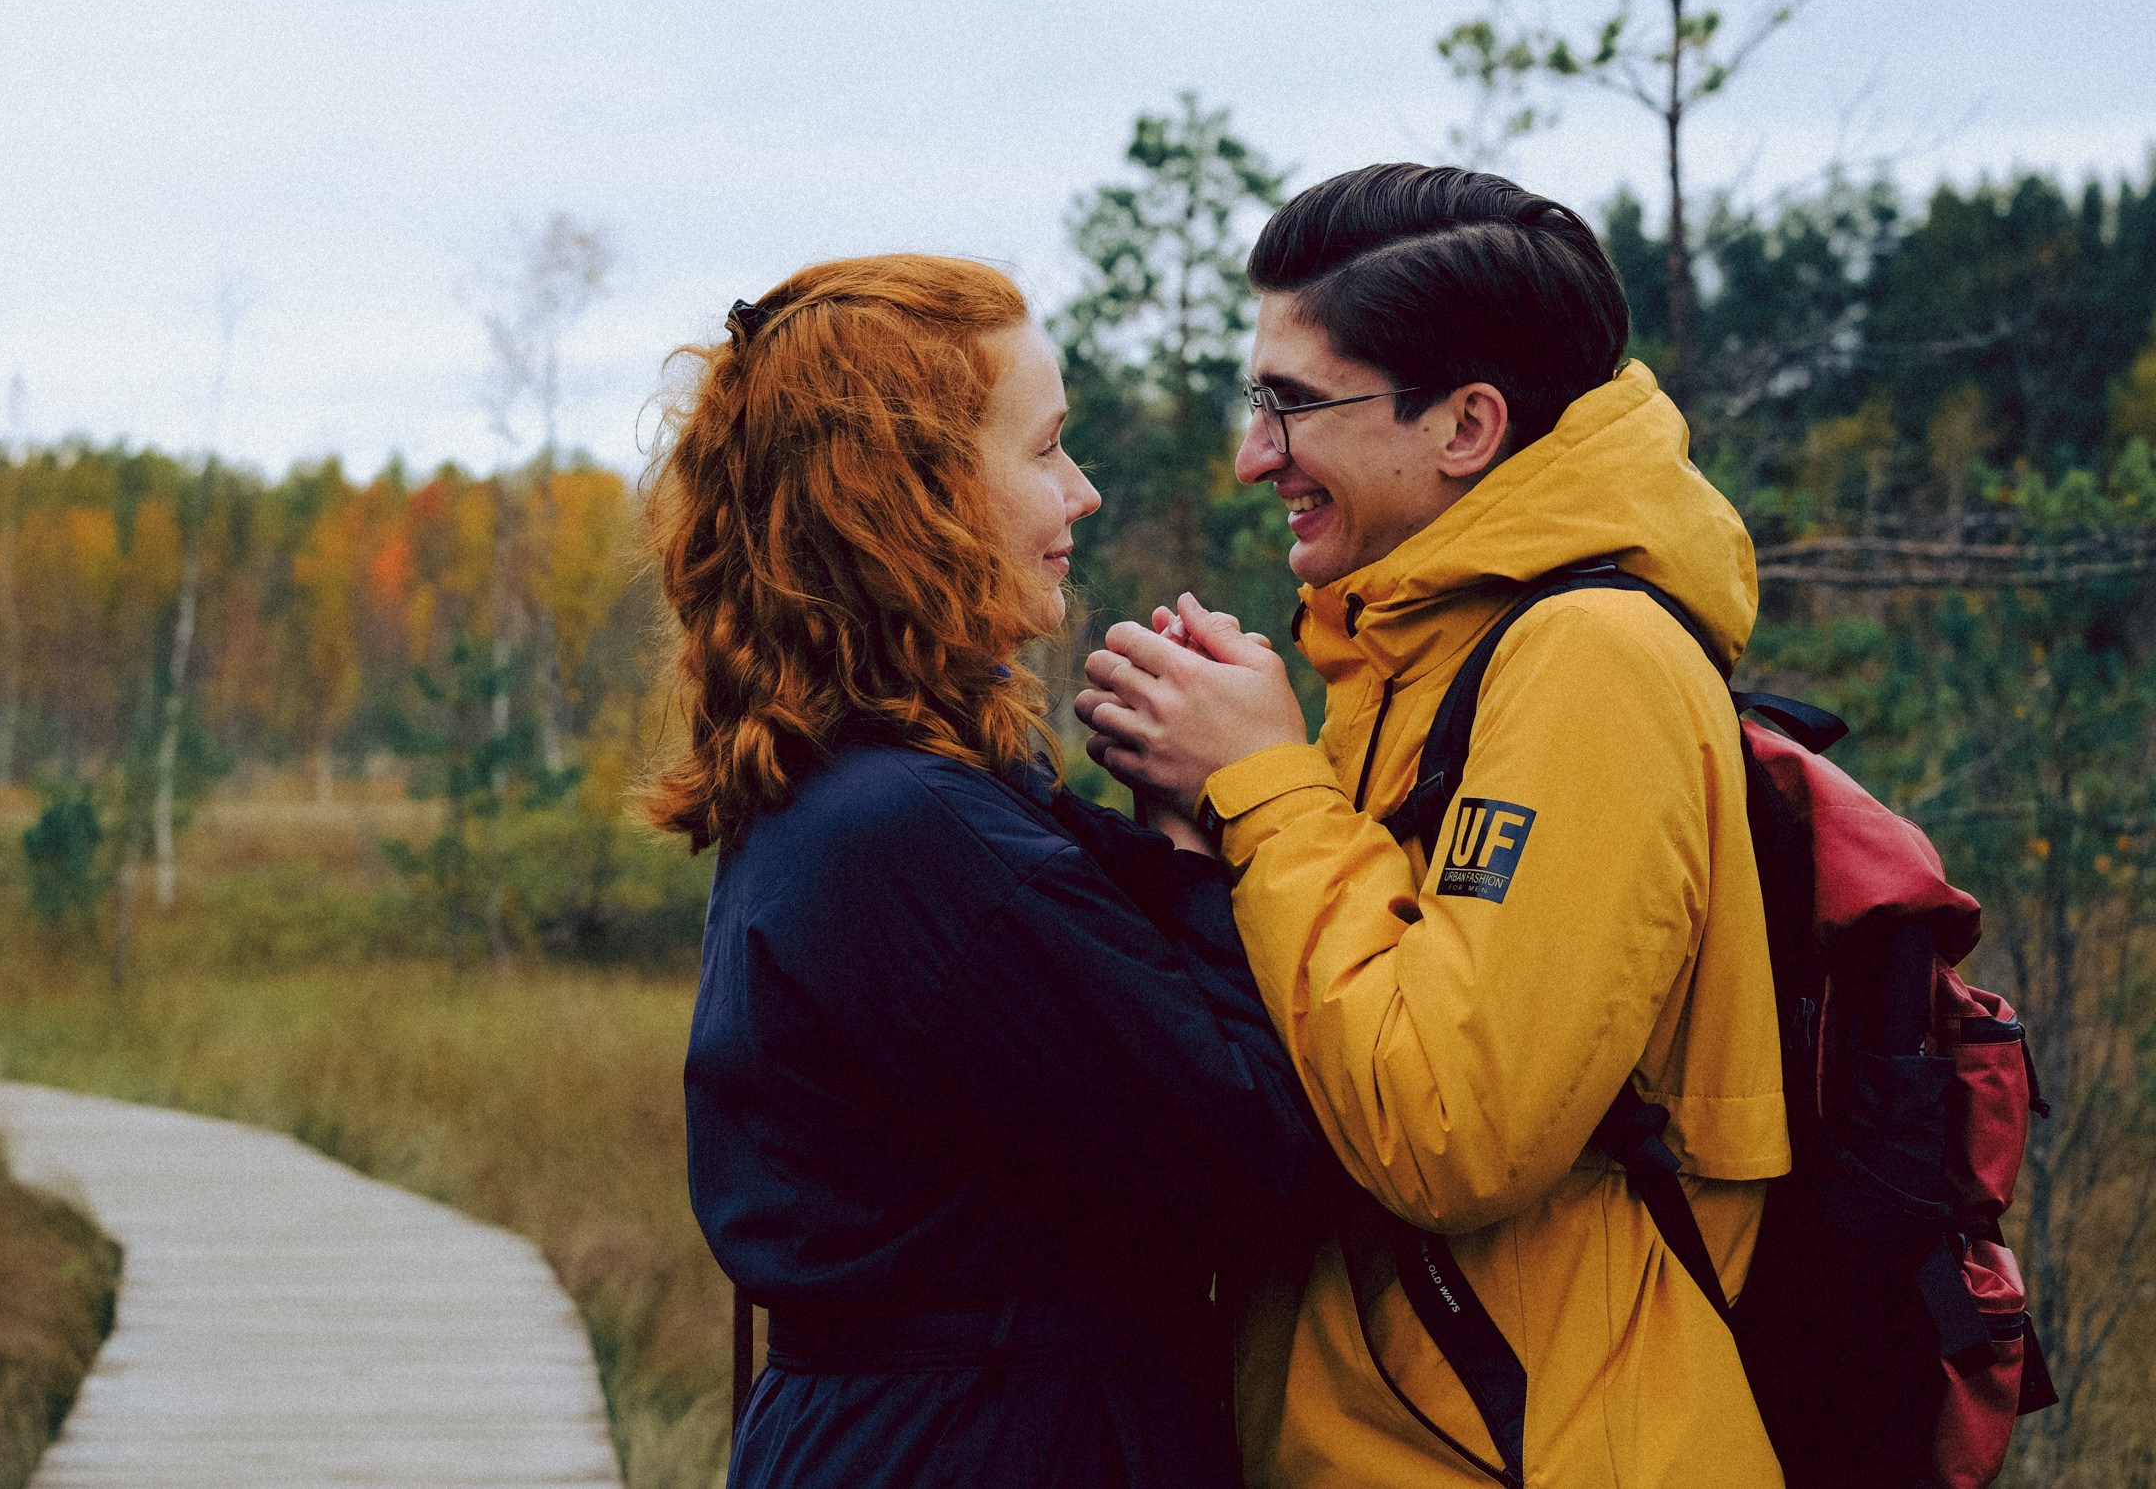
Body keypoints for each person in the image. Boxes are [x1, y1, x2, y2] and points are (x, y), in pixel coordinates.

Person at [1077, 164, 1789, 1489]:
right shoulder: (1405, 650)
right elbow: (1337, 1017)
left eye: (1292, 405)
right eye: (1257, 400)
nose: (1254, 456)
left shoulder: (1592, 661)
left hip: (1546, 1448)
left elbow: (1451, 1125)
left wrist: (1272, 785)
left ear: (1466, 424)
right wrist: (1199, 815)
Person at [652, 254, 1339, 1489]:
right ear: (905, 495)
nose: (1078, 495)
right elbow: (1257, 1165)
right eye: (1043, 451)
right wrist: (1228, 806)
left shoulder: (862, 792)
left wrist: (1171, 817)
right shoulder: (912, 835)